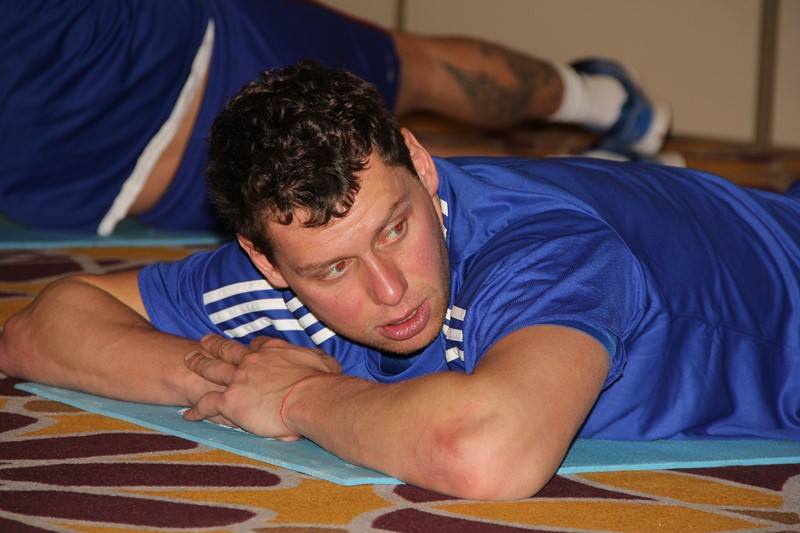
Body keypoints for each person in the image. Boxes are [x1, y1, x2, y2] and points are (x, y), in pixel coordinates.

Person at [4, 61, 795, 501]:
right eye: (334, 268)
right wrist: (227, 375)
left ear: (420, 163)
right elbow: (43, 325)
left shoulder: (542, 250)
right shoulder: (278, 262)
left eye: (395, 229)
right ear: (266, 262)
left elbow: (488, 452)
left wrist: (298, 396)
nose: (389, 290)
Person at [0, 0, 669, 235]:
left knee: (413, 169)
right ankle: (609, 110)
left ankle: (609, 133)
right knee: (413, 142)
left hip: (142, 169)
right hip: (193, 74)